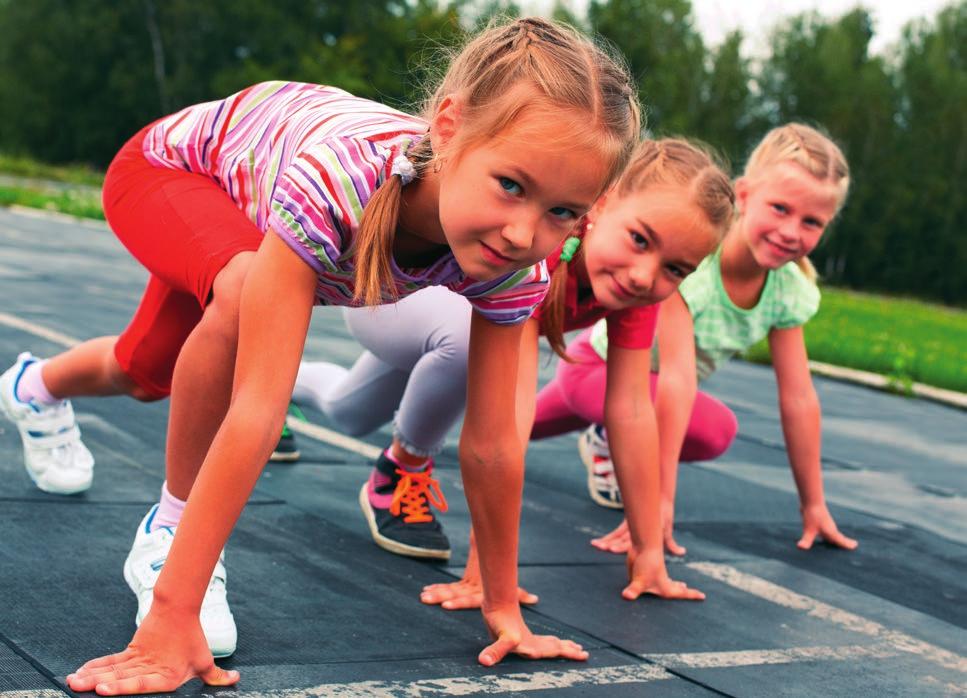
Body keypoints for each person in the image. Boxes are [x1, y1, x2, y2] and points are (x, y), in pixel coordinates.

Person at [32, 18, 642, 696]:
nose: (525, 232)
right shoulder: (340, 184)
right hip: (172, 173)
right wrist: (175, 614)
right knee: (235, 293)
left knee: (143, 372)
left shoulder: (515, 264)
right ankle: (168, 536)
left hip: (244, 208)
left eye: (562, 212)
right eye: (509, 185)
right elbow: (259, 410)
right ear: (447, 127)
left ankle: (34, 388)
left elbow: (495, 443)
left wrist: (497, 599)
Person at [293, 138, 734, 609]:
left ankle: (290, 386)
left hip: (436, 327)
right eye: (640, 240)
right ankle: (402, 466)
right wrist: (485, 574)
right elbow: (508, 420)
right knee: (471, 347)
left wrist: (649, 554)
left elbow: (630, 411)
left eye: (675, 269)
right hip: (386, 297)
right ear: (602, 206)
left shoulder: (635, 293)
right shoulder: (538, 253)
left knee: (349, 410)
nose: (646, 275)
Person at [547, 123, 859, 558]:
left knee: (713, 430)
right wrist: (658, 501)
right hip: (598, 370)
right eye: (781, 208)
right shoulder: (691, 264)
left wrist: (814, 504)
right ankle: (605, 436)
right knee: (698, 421)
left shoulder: (788, 290)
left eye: (811, 222)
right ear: (745, 196)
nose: (792, 231)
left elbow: (799, 398)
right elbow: (676, 377)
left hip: (635, 390)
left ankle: (601, 434)